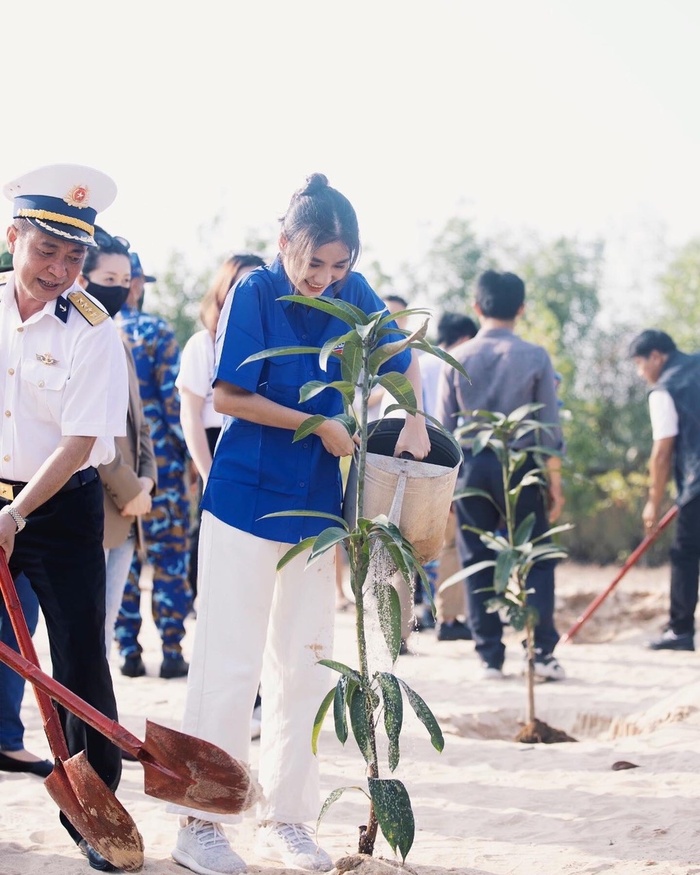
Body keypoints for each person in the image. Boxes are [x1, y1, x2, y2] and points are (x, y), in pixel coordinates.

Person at [170, 173, 430, 875]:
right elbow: (229, 394)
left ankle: (285, 819)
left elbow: (400, 357)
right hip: (245, 501)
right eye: (313, 262)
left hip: (318, 514)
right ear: (286, 242)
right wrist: (317, 423)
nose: (325, 277)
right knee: (229, 663)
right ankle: (202, 819)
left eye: (339, 265)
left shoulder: (355, 293)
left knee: (304, 665)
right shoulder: (255, 290)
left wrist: (410, 416)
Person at [0, 164, 129, 870]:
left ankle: (94, 815)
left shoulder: (92, 328)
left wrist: (16, 512)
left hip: (59, 506)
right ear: (12, 236)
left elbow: (83, 438)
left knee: (78, 659)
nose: (59, 269)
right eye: (46, 250)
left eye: (74, 256)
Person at [437, 269, 565, 681]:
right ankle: (540, 650)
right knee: (535, 559)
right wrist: (555, 483)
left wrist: (446, 491)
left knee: (478, 558)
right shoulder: (535, 356)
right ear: (522, 309)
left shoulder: (457, 357)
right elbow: (549, 428)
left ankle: (490, 656)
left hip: (472, 466)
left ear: (477, 307)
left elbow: (444, 428)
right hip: (522, 466)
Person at [176, 251, 265, 737]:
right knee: (219, 583)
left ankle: (257, 699)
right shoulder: (202, 344)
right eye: (242, 285)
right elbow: (193, 416)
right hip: (219, 454)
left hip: (260, 453)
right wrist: (208, 474)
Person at [77, 229, 157, 652]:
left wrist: (147, 482)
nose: (120, 289)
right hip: (98, 503)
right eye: (109, 279)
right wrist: (130, 489)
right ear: (84, 278)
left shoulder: (115, 335)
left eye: (125, 280)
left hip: (128, 507)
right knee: (87, 636)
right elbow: (88, 432)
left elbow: (139, 423)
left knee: (102, 631)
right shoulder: (78, 335)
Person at [115, 252, 192, 679]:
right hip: (161, 467)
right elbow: (173, 404)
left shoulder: (97, 329)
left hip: (112, 467)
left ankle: (127, 650)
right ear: (139, 283)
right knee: (169, 560)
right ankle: (172, 649)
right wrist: (191, 460)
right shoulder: (157, 332)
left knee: (123, 556)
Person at [630, 329, 700, 652]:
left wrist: (652, 504)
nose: (640, 373)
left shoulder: (665, 389)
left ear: (656, 356)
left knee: (685, 554)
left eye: (640, 364)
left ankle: (681, 631)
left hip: (696, 481)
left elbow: (661, 454)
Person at [420, 312, 479, 642]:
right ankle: (451, 618)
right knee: (453, 544)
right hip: (446, 461)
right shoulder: (456, 364)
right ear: (465, 337)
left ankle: (401, 629)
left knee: (407, 543)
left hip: (410, 459)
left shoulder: (417, 361)